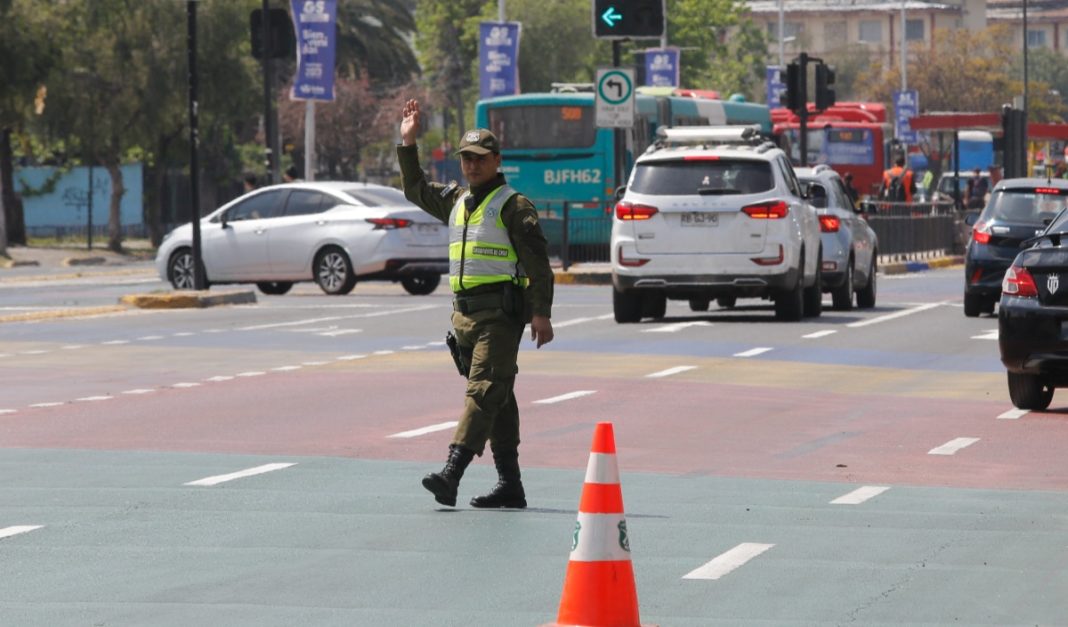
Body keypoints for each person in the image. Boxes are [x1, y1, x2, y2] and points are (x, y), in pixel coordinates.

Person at [398, 98, 555, 509]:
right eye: (466, 159)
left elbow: (539, 266)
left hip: (500, 316)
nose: (471, 165)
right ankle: (510, 484)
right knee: (498, 395)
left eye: (480, 158)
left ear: (497, 160)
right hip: (464, 315)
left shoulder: (514, 206)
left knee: (483, 390)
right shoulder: (457, 201)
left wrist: (541, 313)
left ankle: (452, 472)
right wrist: (407, 143)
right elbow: (415, 188)